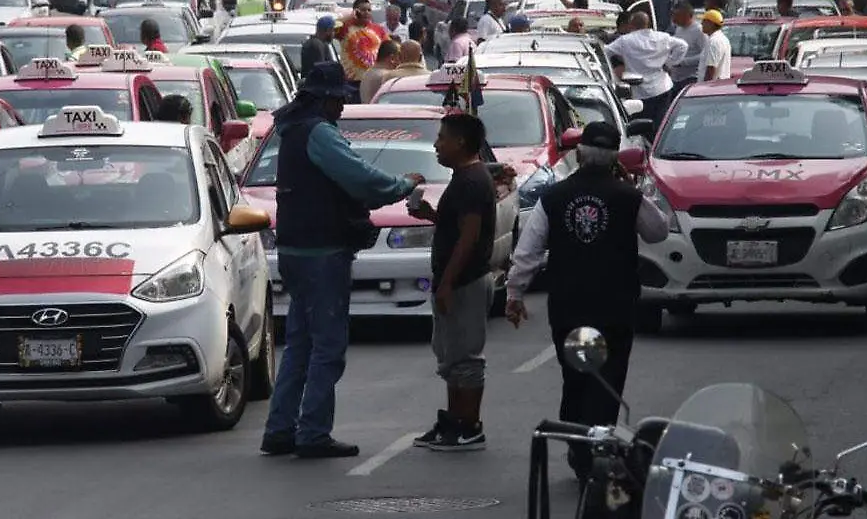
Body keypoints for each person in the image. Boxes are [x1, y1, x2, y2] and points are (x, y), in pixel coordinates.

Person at [261, 61, 425, 459]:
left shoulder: (291, 131)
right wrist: (403, 185)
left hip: (295, 252)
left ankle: (280, 429)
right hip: (322, 254)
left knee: (300, 345)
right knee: (327, 348)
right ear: (326, 99)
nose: (342, 108)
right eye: (339, 101)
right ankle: (313, 433)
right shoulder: (319, 133)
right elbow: (361, 179)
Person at [503, 121, 669, 481]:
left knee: (576, 377)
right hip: (616, 307)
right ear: (615, 158)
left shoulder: (555, 196)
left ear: (579, 153)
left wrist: (514, 294)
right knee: (608, 378)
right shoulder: (628, 196)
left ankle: (580, 450)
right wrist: (630, 188)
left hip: (569, 307)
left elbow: (527, 253)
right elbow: (659, 232)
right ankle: (601, 450)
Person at [408, 113, 497, 451]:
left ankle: (469, 426)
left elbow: (469, 238)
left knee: (467, 358)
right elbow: (456, 227)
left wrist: (447, 283)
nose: (436, 144)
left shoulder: (473, 181)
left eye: (442, 137)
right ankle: (453, 421)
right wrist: (431, 215)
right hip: (453, 281)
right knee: (450, 355)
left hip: (465, 283)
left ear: (460, 142)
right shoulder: (463, 179)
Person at [602, 11, 687, 129]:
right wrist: (670, 62)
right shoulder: (662, 37)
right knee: (662, 125)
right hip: (662, 87)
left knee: (640, 127)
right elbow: (683, 46)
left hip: (639, 91)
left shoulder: (625, 41)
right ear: (648, 24)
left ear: (631, 24)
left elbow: (605, 51)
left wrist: (612, 69)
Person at [335, 0, 389, 100]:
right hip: (352, 81)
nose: (367, 13)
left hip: (373, 79)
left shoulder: (378, 29)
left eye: (369, 10)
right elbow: (332, 26)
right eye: (363, 10)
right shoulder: (345, 28)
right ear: (355, 11)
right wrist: (350, 16)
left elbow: (388, 48)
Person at [668, 2, 706, 97]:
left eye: (677, 16)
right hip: (675, 77)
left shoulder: (699, 31)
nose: (674, 19)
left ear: (688, 16)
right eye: (673, 15)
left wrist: (683, 62)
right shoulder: (678, 29)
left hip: (691, 77)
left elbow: (705, 55)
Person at [697, 9, 732, 82]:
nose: (701, 24)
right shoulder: (722, 38)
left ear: (711, 23)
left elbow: (711, 68)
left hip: (711, 88)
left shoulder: (714, 41)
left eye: (704, 21)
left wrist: (704, 88)